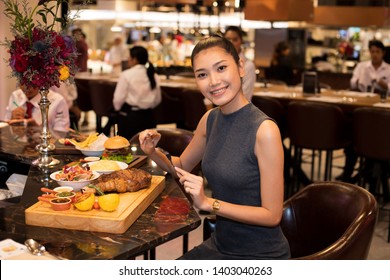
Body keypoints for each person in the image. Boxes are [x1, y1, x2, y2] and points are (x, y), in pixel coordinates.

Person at [139, 35, 290, 260]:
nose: (213, 81)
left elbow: (272, 215)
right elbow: (181, 166)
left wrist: (209, 203)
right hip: (220, 244)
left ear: (240, 67)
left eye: (221, 68)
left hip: (259, 254)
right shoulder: (209, 119)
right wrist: (153, 151)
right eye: (202, 74)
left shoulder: (264, 130)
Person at [337, 39, 390, 183]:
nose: (374, 55)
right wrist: (359, 79)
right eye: (372, 51)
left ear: (383, 53)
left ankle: (368, 172)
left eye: (377, 52)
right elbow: (353, 83)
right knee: (354, 135)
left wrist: (380, 83)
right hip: (361, 110)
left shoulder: (388, 68)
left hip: (382, 116)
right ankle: (348, 177)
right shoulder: (362, 66)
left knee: (374, 137)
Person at [113, 46, 162, 140]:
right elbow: (157, 100)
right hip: (149, 118)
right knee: (148, 149)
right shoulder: (154, 75)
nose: (127, 59)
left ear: (134, 59)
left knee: (127, 147)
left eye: (129, 57)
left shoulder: (126, 74)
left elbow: (118, 99)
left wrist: (118, 110)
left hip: (130, 119)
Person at [4, 85, 70, 134]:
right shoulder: (16, 95)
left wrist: (39, 129)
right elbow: (4, 128)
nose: (26, 87)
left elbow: (62, 135)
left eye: (31, 83)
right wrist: (12, 119)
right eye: (22, 82)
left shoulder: (58, 101)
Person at [224, 26, 256, 101]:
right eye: (228, 39)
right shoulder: (219, 63)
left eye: (235, 39)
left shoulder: (248, 65)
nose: (231, 42)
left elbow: (245, 96)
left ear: (241, 41)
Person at [72, 28, 90, 127]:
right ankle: (84, 118)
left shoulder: (80, 43)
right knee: (82, 96)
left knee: (81, 96)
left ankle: (82, 117)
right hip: (80, 71)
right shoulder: (83, 43)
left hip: (80, 72)